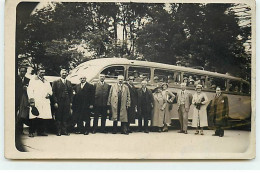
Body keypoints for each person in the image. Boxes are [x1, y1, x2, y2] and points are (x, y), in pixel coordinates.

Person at [27, 68, 53, 137]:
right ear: (38, 72)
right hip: (36, 101)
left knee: (42, 117)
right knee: (34, 117)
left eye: (44, 72)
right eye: (41, 72)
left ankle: (41, 132)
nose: (43, 73)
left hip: (44, 101)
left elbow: (50, 90)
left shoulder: (46, 81)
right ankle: (31, 132)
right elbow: (29, 90)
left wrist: (49, 94)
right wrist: (31, 101)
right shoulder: (33, 80)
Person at [52, 69, 73, 136]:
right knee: (58, 116)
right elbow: (53, 93)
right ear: (60, 74)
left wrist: (70, 102)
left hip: (66, 102)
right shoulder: (55, 82)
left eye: (65, 73)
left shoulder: (69, 82)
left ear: (67, 74)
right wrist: (55, 102)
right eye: (63, 73)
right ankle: (58, 131)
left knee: (65, 116)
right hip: (59, 102)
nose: (64, 74)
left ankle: (64, 130)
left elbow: (71, 93)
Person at [16, 66, 30, 135]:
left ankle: (20, 130)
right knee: (14, 115)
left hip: (23, 100)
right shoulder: (15, 79)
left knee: (22, 115)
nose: (23, 73)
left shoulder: (28, 80)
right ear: (19, 71)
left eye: (24, 71)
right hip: (15, 100)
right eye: (21, 71)